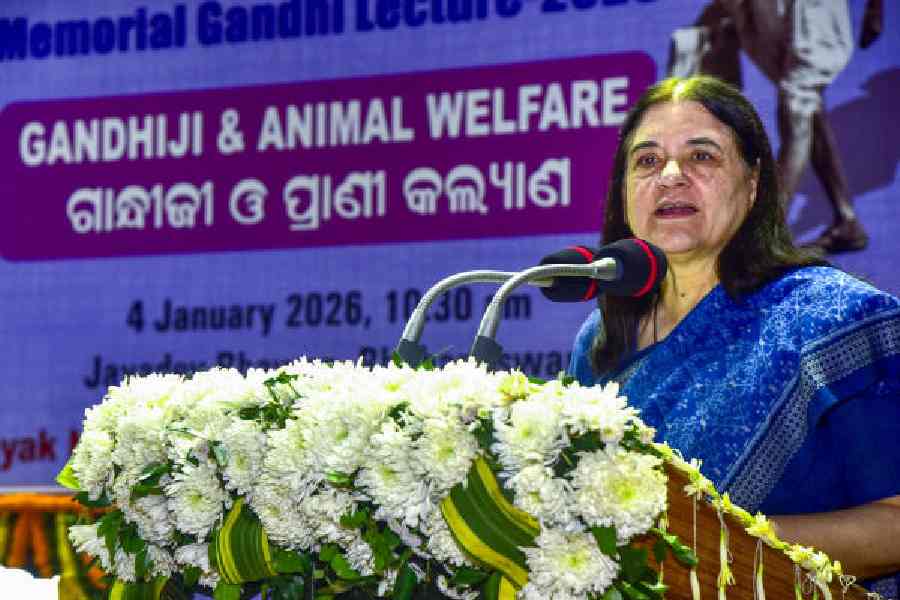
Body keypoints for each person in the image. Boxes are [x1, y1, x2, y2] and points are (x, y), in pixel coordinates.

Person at [568, 76, 900, 595]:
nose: (670, 176)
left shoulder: (833, 317)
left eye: (701, 157)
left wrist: (711, 545)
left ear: (752, 184)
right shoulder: (601, 339)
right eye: (647, 161)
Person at [667, 0, 885, 252]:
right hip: (760, 10)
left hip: (809, 9)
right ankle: (847, 220)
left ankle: (767, 234)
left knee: (797, 103)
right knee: (807, 109)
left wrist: (875, 9)